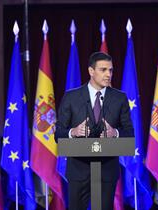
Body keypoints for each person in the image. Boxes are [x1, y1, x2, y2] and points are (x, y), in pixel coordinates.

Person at [55, 51, 134, 210]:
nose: (108, 74)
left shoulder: (120, 98)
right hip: (78, 171)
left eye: (110, 70)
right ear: (91, 71)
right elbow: (58, 134)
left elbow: (130, 133)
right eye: (103, 70)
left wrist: (115, 133)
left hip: (107, 171)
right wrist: (74, 132)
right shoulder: (71, 97)